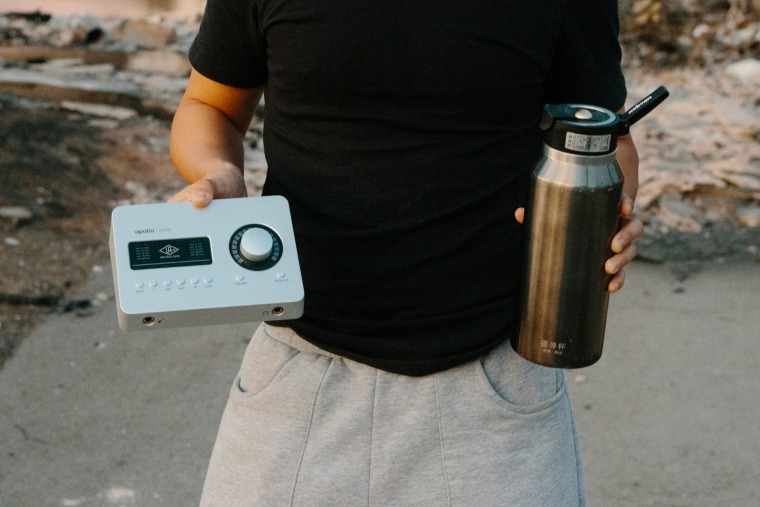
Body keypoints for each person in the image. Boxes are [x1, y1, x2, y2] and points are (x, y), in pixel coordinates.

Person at [169, 0, 643, 504]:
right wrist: (216, 171)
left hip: (496, 387)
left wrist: (605, 218)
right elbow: (210, 106)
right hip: (297, 373)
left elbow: (606, 135)